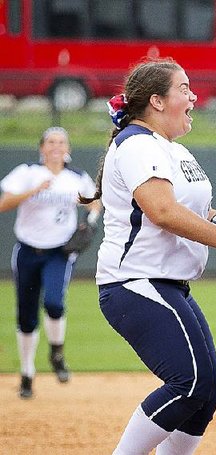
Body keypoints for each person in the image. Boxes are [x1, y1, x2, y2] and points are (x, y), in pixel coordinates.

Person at [83, 57, 216, 454]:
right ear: (157, 101)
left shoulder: (171, 149)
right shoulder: (136, 143)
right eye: (183, 89)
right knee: (191, 382)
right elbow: (163, 211)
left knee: (208, 388)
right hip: (134, 281)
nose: (193, 96)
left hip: (167, 284)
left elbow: (199, 210)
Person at [0, 126, 102, 399]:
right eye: (51, 142)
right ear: (42, 147)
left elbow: (94, 203)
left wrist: (89, 223)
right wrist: (32, 191)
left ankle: (56, 351)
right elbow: (4, 202)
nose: (56, 146)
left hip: (59, 250)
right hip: (28, 250)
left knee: (55, 302)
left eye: (61, 142)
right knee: (26, 315)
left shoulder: (75, 178)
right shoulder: (28, 172)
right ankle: (27, 373)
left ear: (67, 149)